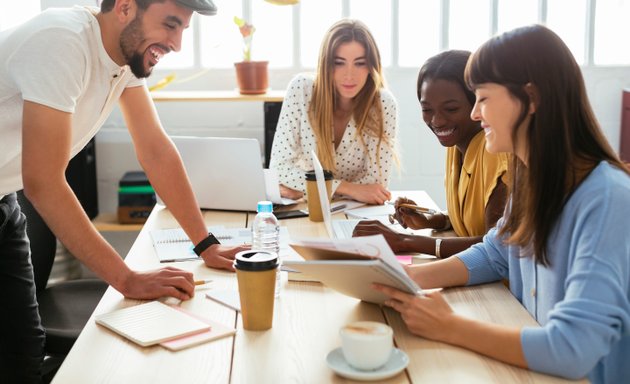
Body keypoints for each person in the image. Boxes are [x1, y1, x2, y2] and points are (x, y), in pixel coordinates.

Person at [0, 1, 247, 382]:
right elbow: (44, 181)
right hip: (14, 194)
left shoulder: (123, 59)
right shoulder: (62, 42)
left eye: (182, 29)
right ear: (126, 8)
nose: (177, 43)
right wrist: (127, 279)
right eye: (170, 24)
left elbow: (155, 150)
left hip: (3, 200)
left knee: (21, 358)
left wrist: (206, 244)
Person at [373, 25, 630, 383]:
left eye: (483, 97)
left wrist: (449, 326)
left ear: (531, 98)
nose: (475, 113)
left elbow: (573, 348)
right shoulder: (531, 178)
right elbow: (496, 253)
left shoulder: (607, 200)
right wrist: (406, 277)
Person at [353, 50, 509, 258]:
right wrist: (432, 220)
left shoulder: (495, 152)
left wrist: (405, 241)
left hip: (499, 288)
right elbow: (470, 222)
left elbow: (496, 246)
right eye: (427, 110)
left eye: (451, 109)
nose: (437, 121)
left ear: (477, 104)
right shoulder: (457, 146)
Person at [269, 18, 398, 205]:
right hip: (309, 210)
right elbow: (279, 169)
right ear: (326, 64)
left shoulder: (383, 104)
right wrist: (349, 188)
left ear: (371, 66)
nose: (349, 75)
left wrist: (304, 186)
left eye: (360, 63)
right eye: (339, 63)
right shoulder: (302, 90)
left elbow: (375, 186)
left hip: (357, 211)